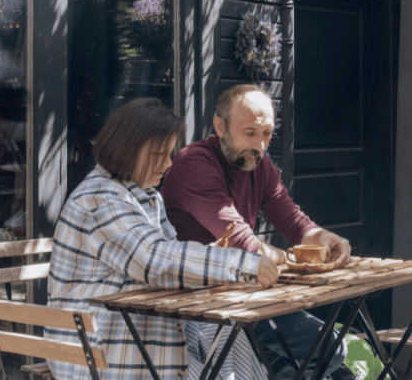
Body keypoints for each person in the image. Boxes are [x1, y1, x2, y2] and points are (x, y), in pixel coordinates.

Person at [45, 97, 279, 380]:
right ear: (127, 150)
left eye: (170, 154)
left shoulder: (144, 195)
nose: (168, 164)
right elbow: (155, 260)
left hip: (139, 340)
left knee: (230, 335)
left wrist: (213, 261)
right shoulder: (99, 198)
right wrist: (243, 264)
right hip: (102, 355)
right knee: (226, 341)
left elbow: (171, 254)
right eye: (159, 155)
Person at [161, 84, 350, 380]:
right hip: (201, 305)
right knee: (327, 351)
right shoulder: (195, 163)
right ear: (220, 127)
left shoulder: (258, 166)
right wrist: (286, 256)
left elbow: (295, 222)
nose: (260, 145)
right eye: (250, 133)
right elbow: (240, 242)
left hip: (245, 293)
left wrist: (321, 236)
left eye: (266, 134)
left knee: (334, 358)